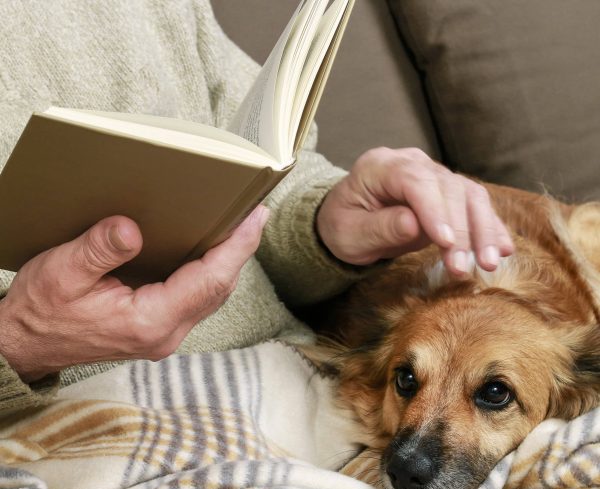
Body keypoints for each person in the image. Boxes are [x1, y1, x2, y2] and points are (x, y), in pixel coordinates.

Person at [0, 0, 512, 413]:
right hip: (87, 429)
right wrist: (19, 342)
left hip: (308, 384)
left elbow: (252, 163)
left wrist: (325, 226)